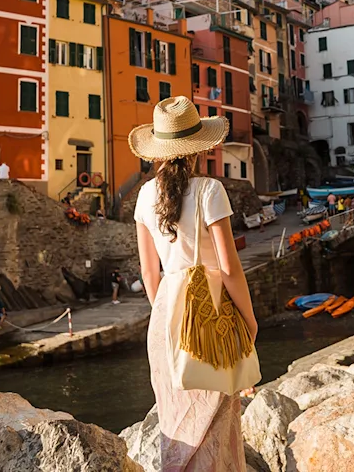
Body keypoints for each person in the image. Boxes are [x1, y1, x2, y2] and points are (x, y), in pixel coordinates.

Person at [130, 96, 257, 470]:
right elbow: (230, 267)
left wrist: (167, 317)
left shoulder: (143, 195)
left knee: (177, 421)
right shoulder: (209, 191)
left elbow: (149, 274)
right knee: (217, 422)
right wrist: (250, 320)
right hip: (210, 314)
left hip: (165, 315)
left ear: (159, 152)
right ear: (199, 148)